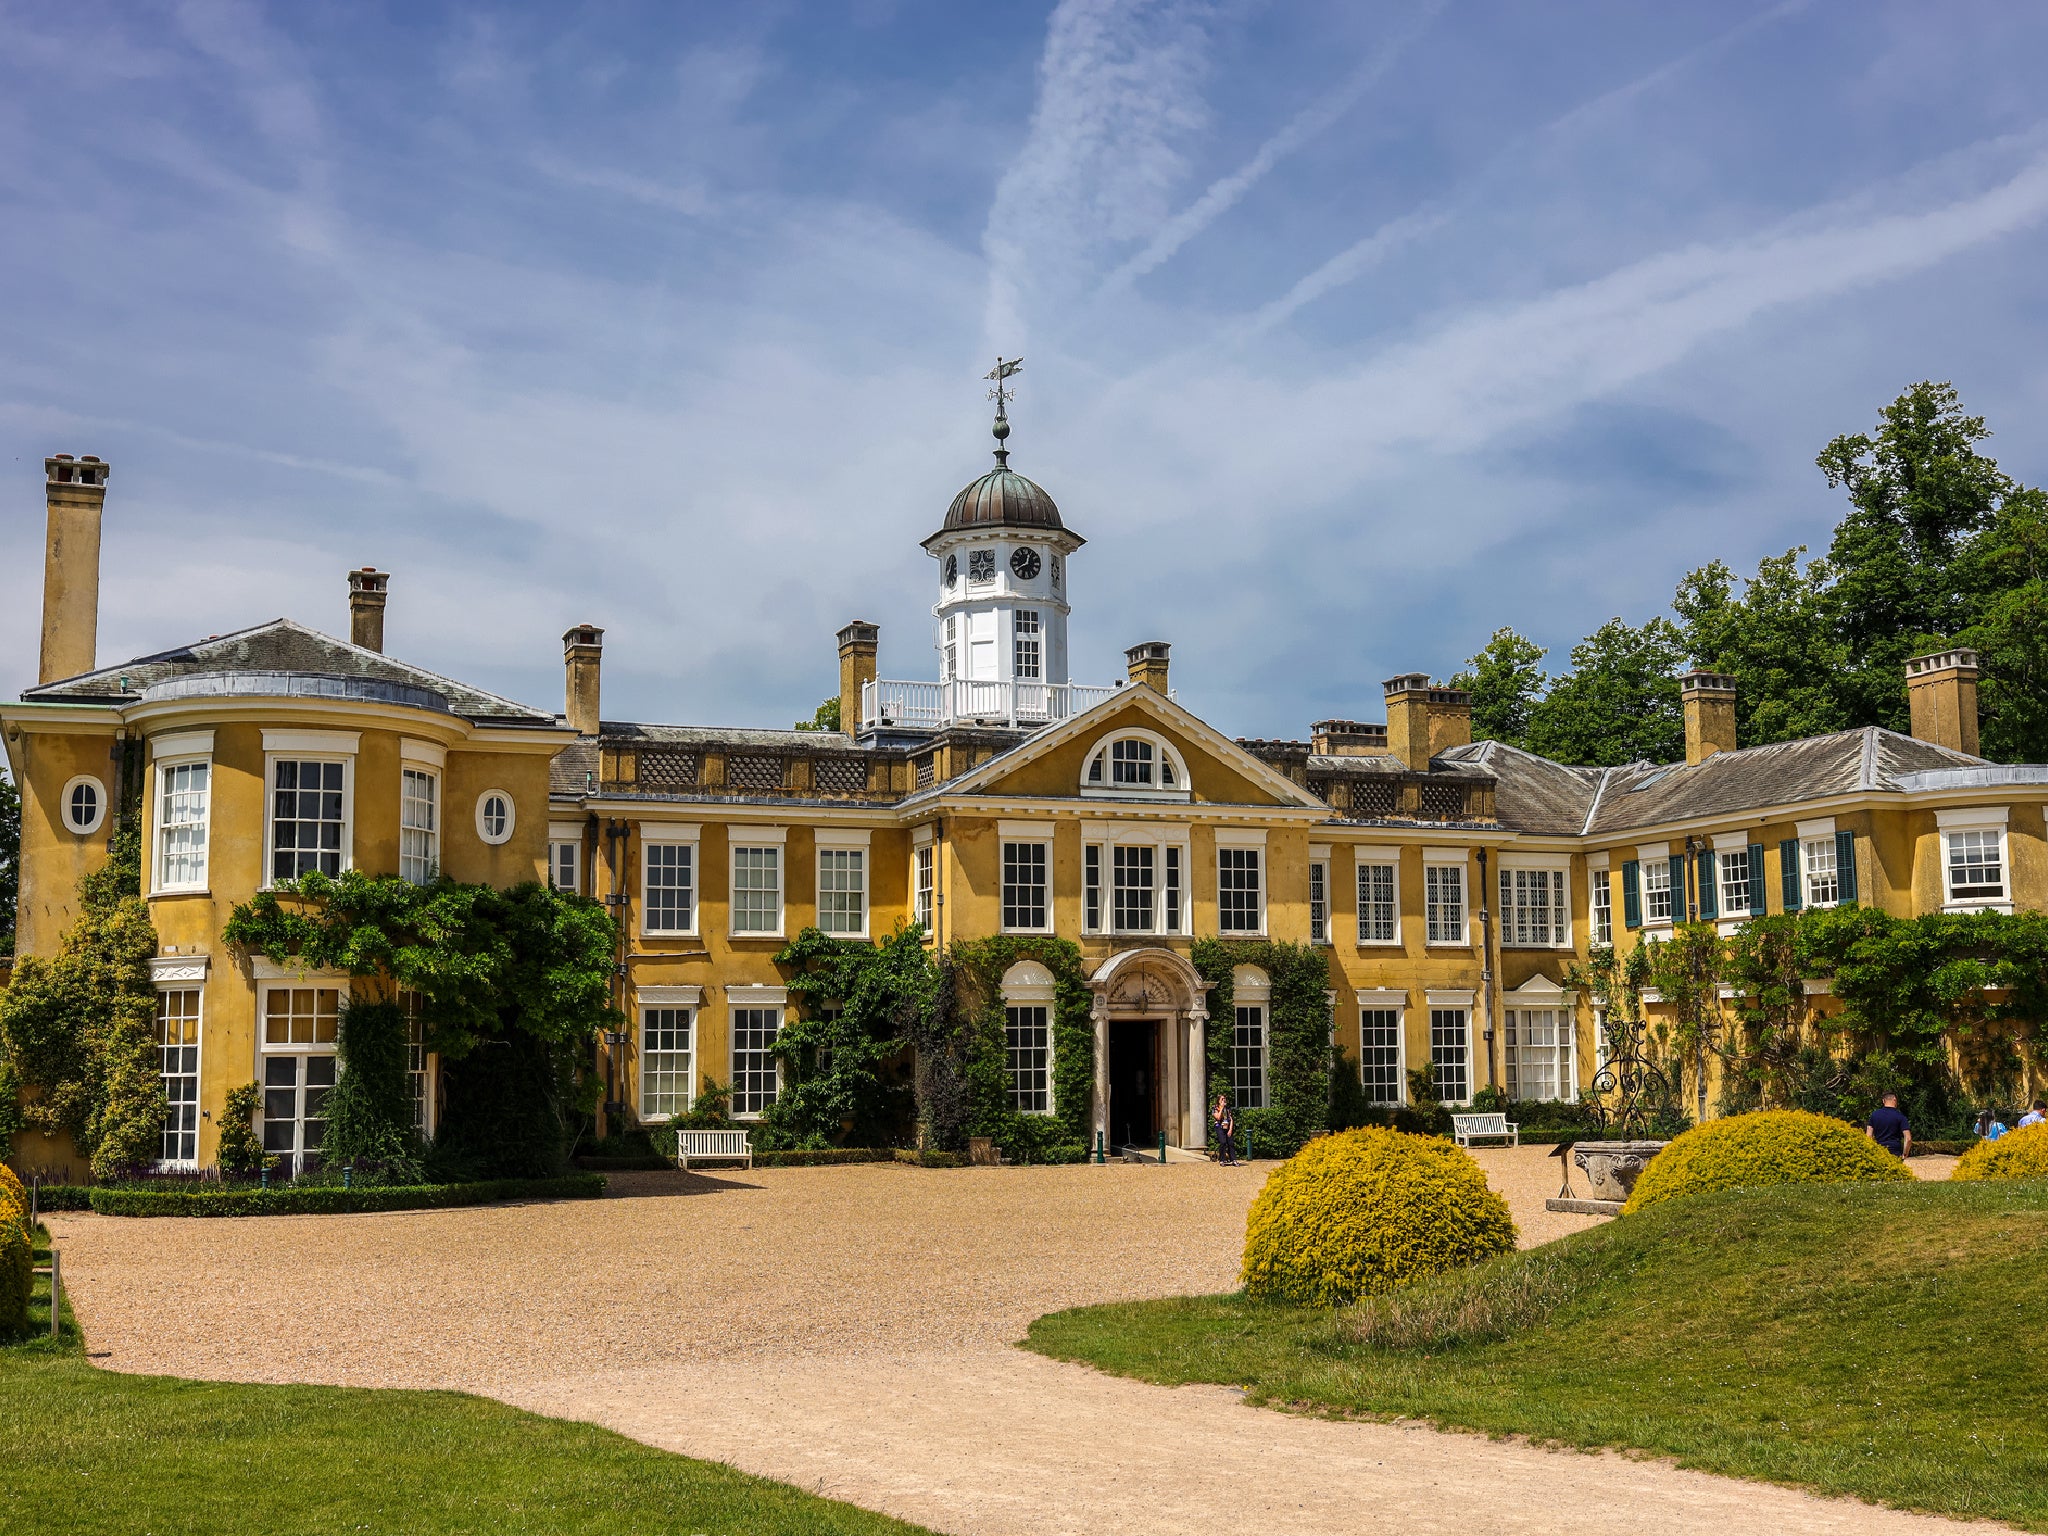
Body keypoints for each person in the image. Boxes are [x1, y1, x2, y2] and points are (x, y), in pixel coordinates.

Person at [1865, 1092, 1911, 1159]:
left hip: (1879, 1150)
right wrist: (1905, 1153)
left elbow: (1868, 1136)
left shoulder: (1874, 1115)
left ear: (1883, 1101)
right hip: (1895, 1151)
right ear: (1895, 1100)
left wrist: (1870, 1152)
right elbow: (1908, 1138)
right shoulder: (1900, 1116)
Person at [1212, 1093, 1238, 1166]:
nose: (1224, 1100)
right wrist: (1222, 1108)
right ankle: (1222, 1160)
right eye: (1222, 1099)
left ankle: (1233, 1159)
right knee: (1223, 1142)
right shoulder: (1215, 1108)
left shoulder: (1228, 1108)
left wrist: (1230, 1129)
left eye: (1225, 1099)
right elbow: (1218, 1117)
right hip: (1219, 1126)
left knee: (1231, 1143)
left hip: (1227, 1126)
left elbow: (1231, 1119)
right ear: (1219, 1101)